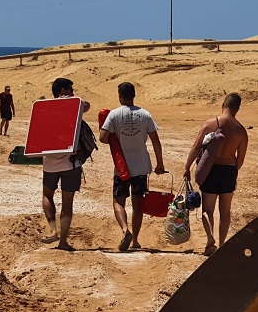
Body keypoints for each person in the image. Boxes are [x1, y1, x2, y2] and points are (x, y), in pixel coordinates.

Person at [99, 82, 165, 251]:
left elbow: (103, 138)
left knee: (118, 201)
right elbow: (155, 141)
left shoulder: (114, 115)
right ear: (134, 95)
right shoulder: (145, 114)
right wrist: (160, 163)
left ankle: (124, 229)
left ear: (120, 96)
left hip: (122, 167)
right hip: (141, 166)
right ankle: (135, 240)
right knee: (138, 205)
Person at [183, 93, 248, 256]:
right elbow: (240, 160)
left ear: (223, 105)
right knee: (225, 211)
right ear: (237, 109)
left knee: (208, 209)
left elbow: (196, 146)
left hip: (211, 170)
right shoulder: (241, 131)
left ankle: (210, 239)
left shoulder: (211, 123)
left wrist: (187, 167)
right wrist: (232, 172)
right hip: (229, 171)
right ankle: (222, 245)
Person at [40, 78, 90, 252]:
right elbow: (87, 105)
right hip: (71, 163)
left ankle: (52, 229)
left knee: (47, 195)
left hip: (49, 162)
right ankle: (63, 241)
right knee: (67, 203)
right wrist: (69, 100)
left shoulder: (44, 108)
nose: (73, 92)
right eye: (70, 89)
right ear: (63, 90)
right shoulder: (75, 106)